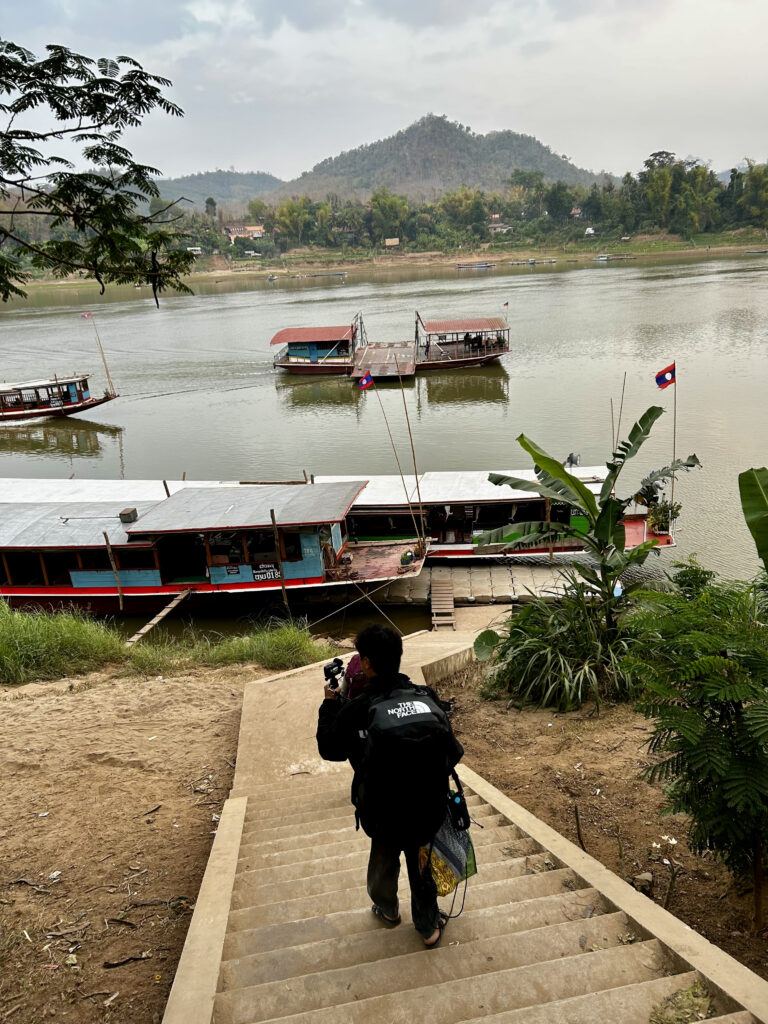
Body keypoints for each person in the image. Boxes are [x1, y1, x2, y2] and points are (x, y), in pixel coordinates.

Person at [316, 624, 463, 948]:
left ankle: (388, 909)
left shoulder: (358, 709)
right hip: (428, 812)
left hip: (383, 815)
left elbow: (329, 748)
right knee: (421, 864)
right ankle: (428, 927)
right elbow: (453, 753)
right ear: (399, 656)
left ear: (366, 664)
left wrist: (330, 704)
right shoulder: (427, 697)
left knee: (383, 861)